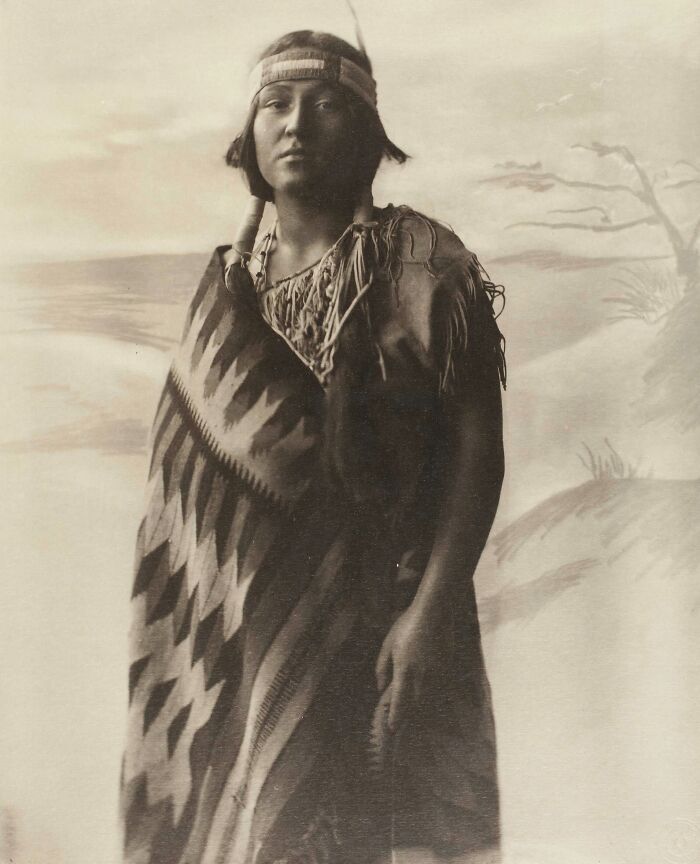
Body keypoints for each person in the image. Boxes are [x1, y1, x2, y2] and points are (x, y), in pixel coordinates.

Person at [121, 29, 506, 864]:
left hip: (391, 632)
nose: (296, 124)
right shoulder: (226, 285)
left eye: (327, 105)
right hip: (246, 654)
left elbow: (479, 448)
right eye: (275, 104)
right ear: (249, 139)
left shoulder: (423, 262)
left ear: (368, 134)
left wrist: (429, 615)